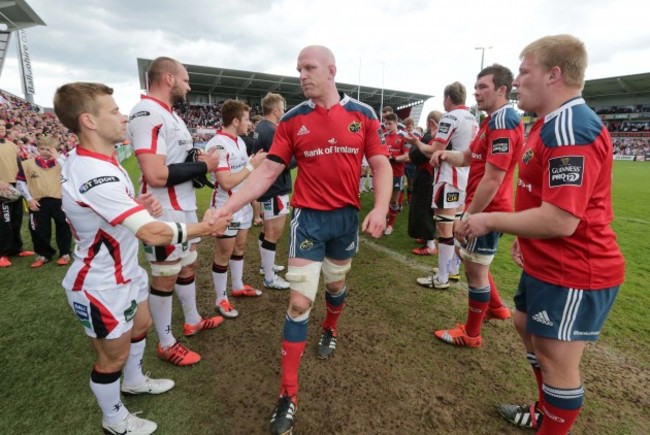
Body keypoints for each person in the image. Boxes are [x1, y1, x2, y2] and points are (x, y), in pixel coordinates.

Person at [213, 45, 391, 435]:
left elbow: (380, 163)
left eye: (309, 68)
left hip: (345, 222)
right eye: (298, 70)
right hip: (307, 220)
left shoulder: (363, 114)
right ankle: (288, 395)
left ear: (331, 70)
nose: (302, 75)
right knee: (297, 303)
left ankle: (330, 327)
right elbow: (265, 174)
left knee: (337, 285)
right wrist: (228, 207)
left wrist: (380, 208)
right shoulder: (292, 120)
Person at [460, 35, 625, 434]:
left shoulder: (570, 127)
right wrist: (524, 235)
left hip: (576, 270)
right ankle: (543, 411)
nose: (516, 81)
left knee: (555, 360)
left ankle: (551, 422)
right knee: (524, 325)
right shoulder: (548, 124)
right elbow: (543, 200)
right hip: (547, 261)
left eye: (523, 71)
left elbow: (561, 220)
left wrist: (491, 221)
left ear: (553, 75)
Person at [54, 82, 230, 435]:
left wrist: (137, 202)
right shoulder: (94, 172)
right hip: (99, 283)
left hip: (124, 271)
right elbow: (151, 233)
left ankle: (134, 381)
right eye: (114, 111)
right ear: (88, 121)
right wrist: (204, 228)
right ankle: (114, 419)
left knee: (142, 324)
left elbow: (106, 210)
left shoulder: (99, 161)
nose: (123, 117)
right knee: (111, 358)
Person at [128, 56, 223, 367]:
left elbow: (176, 160)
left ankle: (192, 319)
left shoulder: (171, 116)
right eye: (185, 78)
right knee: (165, 275)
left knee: (187, 266)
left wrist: (195, 157)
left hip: (183, 206)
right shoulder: (146, 113)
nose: (188, 85)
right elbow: (155, 174)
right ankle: (166, 343)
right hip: (163, 209)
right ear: (168, 78)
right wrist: (203, 165)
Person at [431, 64, 523, 348]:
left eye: (483, 87)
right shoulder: (490, 120)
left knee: (475, 271)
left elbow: (493, 178)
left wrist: (468, 217)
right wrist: (447, 155)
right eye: (476, 86)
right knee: (468, 257)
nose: (476, 91)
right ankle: (496, 308)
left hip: (489, 209)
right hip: (486, 206)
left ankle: (471, 334)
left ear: (501, 89)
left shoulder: (503, 121)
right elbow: (470, 157)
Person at [408, 82, 479, 289]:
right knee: (456, 226)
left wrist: (417, 144)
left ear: (448, 98)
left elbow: (434, 150)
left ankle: (442, 278)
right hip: (466, 177)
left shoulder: (450, 117)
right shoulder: (473, 118)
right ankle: (452, 270)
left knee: (444, 228)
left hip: (450, 177)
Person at [205, 99, 267, 319]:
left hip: (243, 206)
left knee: (239, 247)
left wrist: (251, 162)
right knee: (224, 253)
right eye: (247, 119)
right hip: (225, 208)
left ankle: (238, 285)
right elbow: (227, 182)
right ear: (235, 121)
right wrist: (253, 165)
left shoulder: (240, 142)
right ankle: (220, 299)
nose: (249, 123)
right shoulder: (217, 145)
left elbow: (243, 172)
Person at [252, 92, 292, 290]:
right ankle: (269, 277)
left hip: (268, 186)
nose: (283, 111)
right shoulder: (272, 130)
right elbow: (282, 161)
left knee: (267, 231)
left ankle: (265, 266)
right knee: (273, 233)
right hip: (274, 187)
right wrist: (299, 155)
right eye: (282, 108)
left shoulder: (261, 127)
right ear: (275, 110)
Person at [15, 135, 72, 268]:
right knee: (38, 230)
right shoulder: (27, 164)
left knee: (63, 227)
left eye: (49, 149)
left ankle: (65, 253)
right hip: (38, 202)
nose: (45, 152)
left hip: (60, 200)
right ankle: (44, 255)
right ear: (37, 149)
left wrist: (57, 156)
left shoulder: (63, 162)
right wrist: (29, 199)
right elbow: (20, 182)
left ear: (55, 149)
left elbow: (71, 173)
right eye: (42, 149)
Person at [0, 122, 35, 267]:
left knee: (16, 219)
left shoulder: (11, 145)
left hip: (14, 185)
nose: (1, 127)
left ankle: (16, 249)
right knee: (4, 223)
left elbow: (19, 163)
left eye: (2, 125)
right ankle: (2, 254)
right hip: (2, 187)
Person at [408, 111, 442, 256]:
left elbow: (416, 155)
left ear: (431, 122)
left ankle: (430, 245)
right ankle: (426, 237)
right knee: (422, 207)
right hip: (427, 175)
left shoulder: (434, 137)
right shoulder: (434, 136)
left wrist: (416, 146)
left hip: (429, 176)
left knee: (425, 208)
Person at [383, 113, 410, 235]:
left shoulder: (402, 137)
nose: (387, 126)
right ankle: (384, 220)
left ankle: (390, 225)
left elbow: (408, 157)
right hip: (384, 174)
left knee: (394, 201)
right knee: (383, 200)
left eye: (390, 123)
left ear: (396, 123)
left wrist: (394, 159)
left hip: (397, 174)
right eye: (385, 123)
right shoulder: (383, 137)